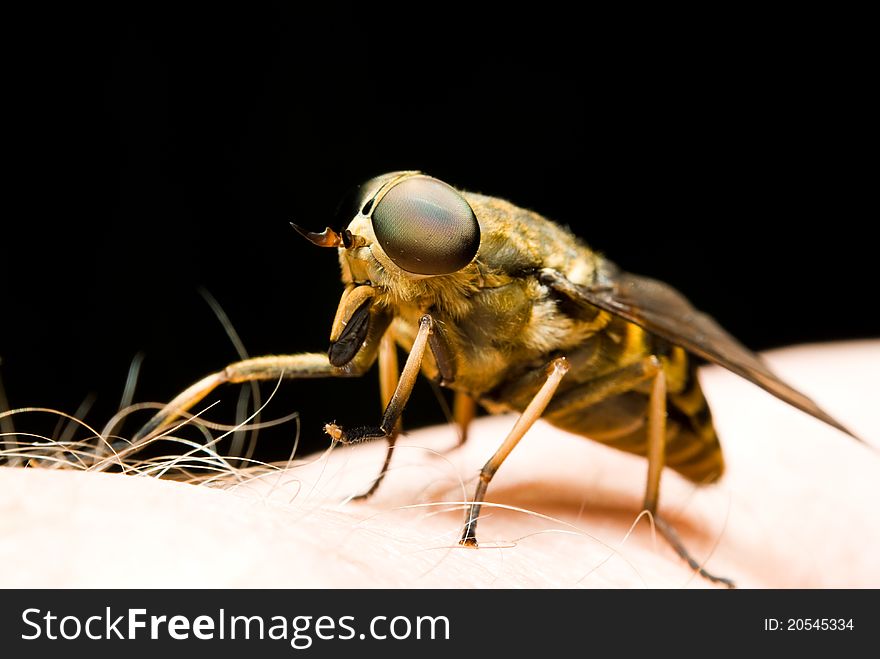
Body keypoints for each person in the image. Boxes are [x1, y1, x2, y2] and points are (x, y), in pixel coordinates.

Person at [1, 341, 877, 588]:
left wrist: (477, 482)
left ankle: (652, 517)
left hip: (648, 393)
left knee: (611, 364)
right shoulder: (420, 302)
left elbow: (560, 366)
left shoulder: (507, 292)